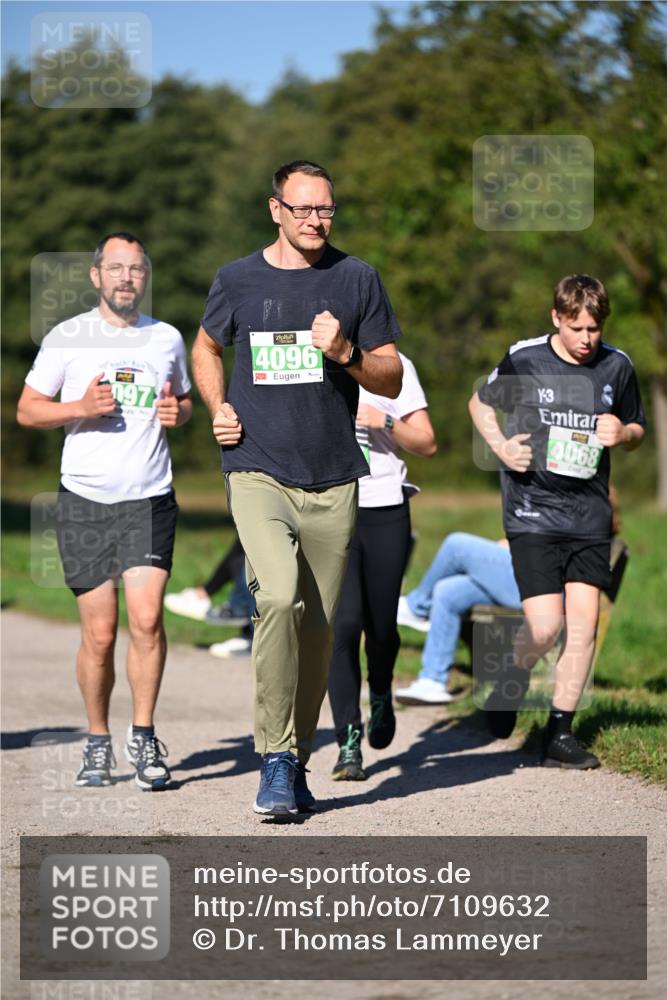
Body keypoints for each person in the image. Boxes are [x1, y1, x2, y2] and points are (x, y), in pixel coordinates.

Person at [191, 159, 403, 816]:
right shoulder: (236, 278)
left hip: (334, 478)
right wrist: (217, 406)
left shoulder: (355, 277)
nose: (317, 220)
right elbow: (204, 347)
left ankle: (298, 756)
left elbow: (390, 377)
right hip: (255, 468)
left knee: (318, 631)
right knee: (279, 599)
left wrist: (345, 354)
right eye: (304, 208)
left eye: (326, 209)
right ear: (275, 208)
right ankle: (275, 756)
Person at [17, 232, 192, 790]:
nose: (126, 278)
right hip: (86, 502)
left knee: (146, 620)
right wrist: (80, 407)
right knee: (100, 632)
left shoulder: (166, 338)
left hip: (149, 497)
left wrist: (177, 412)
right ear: (96, 276)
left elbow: (183, 400)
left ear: (146, 276)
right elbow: (27, 411)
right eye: (115, 269)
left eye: (136, 269)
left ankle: (143, 737)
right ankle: (97, 740)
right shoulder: (67, 338)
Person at [468, 274, 645, 769]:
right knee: (545, 628)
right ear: (556, 319)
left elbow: (637, 428)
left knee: (583, 629)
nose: (587, 338)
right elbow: (479, 404)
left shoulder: (617, 366)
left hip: (589, 516)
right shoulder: (525, 358)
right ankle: (510, 677)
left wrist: (624, 430)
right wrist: (501, 445)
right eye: (577, 328)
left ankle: (558, 735)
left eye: (594, 328)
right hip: (533, 512)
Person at [328, 354, 436, 780]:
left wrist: (384, 421)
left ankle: (380, 689)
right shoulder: (308, 359)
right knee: (343, 624)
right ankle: (347, 741)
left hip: (386, 506)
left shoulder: (395, 366)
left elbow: (427, 442)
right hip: (330, 507)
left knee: (382, 628)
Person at [395, 533, 522, 705]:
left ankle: (417, 607)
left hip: (546, 583)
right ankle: (433, 680)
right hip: (524, 568)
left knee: (456, 546)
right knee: (448, 592)